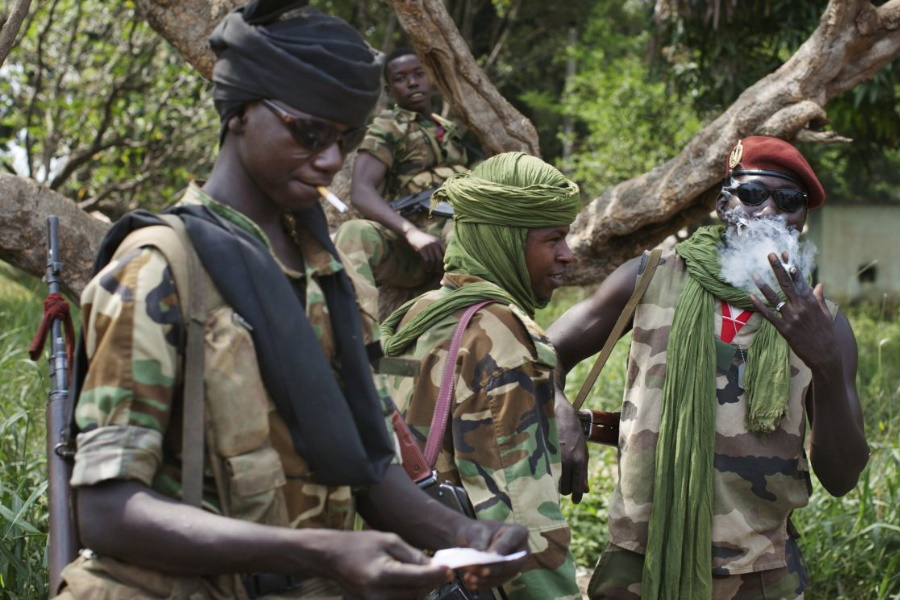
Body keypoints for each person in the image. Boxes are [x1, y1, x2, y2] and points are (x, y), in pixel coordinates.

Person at [54, 3, 527, 599]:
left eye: (346, 138)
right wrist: (320, 551)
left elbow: (366, 462)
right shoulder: (161, 270)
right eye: (308, 133)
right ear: (241, 114)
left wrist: (467, 533)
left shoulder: (324, 271)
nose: (331, 160)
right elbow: (108, 510)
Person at [548, 136, 870, 600]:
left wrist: (825, 362)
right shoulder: (650, 276)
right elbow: (544, 353)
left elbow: (842, 478)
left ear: (802, 219)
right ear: (724, 203)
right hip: (639, 555)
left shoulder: (825, 324)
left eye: (790, 201)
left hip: (760, 569)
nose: (768, 211)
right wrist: (560, 410)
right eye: (754, 193)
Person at [380, 152, 584, 600]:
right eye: (554, 239)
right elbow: (521, 520)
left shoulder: (416, 315)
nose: (568, 255)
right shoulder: (502, 338)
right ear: (505, 241)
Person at [333, 47, 476, 303]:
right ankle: (357, 334)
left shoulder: (448, 130)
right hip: (413, 250)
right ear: (389, 91)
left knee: (469, 225)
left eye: (418, 74)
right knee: (355, 233)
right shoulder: (388, 126)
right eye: (400, 78)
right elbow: (362, 191)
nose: (412, 82)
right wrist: (411, 233)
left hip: (462, 234)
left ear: (429, 78)